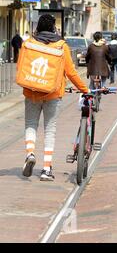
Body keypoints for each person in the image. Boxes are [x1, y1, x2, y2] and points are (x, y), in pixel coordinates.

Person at [20, 14, 89, 181]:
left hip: (31, 91)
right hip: (52, 94)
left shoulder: (28, 43)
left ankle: (30, 153)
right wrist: (84, 89)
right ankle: (46, 169)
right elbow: (71, 72)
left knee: (31, 125)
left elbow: (21, 66)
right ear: (53, 28)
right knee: (50, 130)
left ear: (37, 27)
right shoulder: (61, 46)